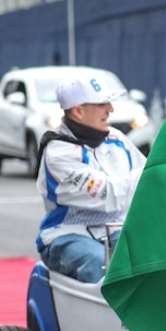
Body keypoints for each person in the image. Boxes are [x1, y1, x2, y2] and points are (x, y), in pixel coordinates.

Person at [35, 75, 146, 283]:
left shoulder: (116, 138)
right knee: (100, 263)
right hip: (66, 234)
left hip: (116, 230)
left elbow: (151, 176)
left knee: (156, 255)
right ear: (78, 111)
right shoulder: (58, 153)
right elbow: (107, 195)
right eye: (102, 104)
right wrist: (147, 176)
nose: (110, 109)